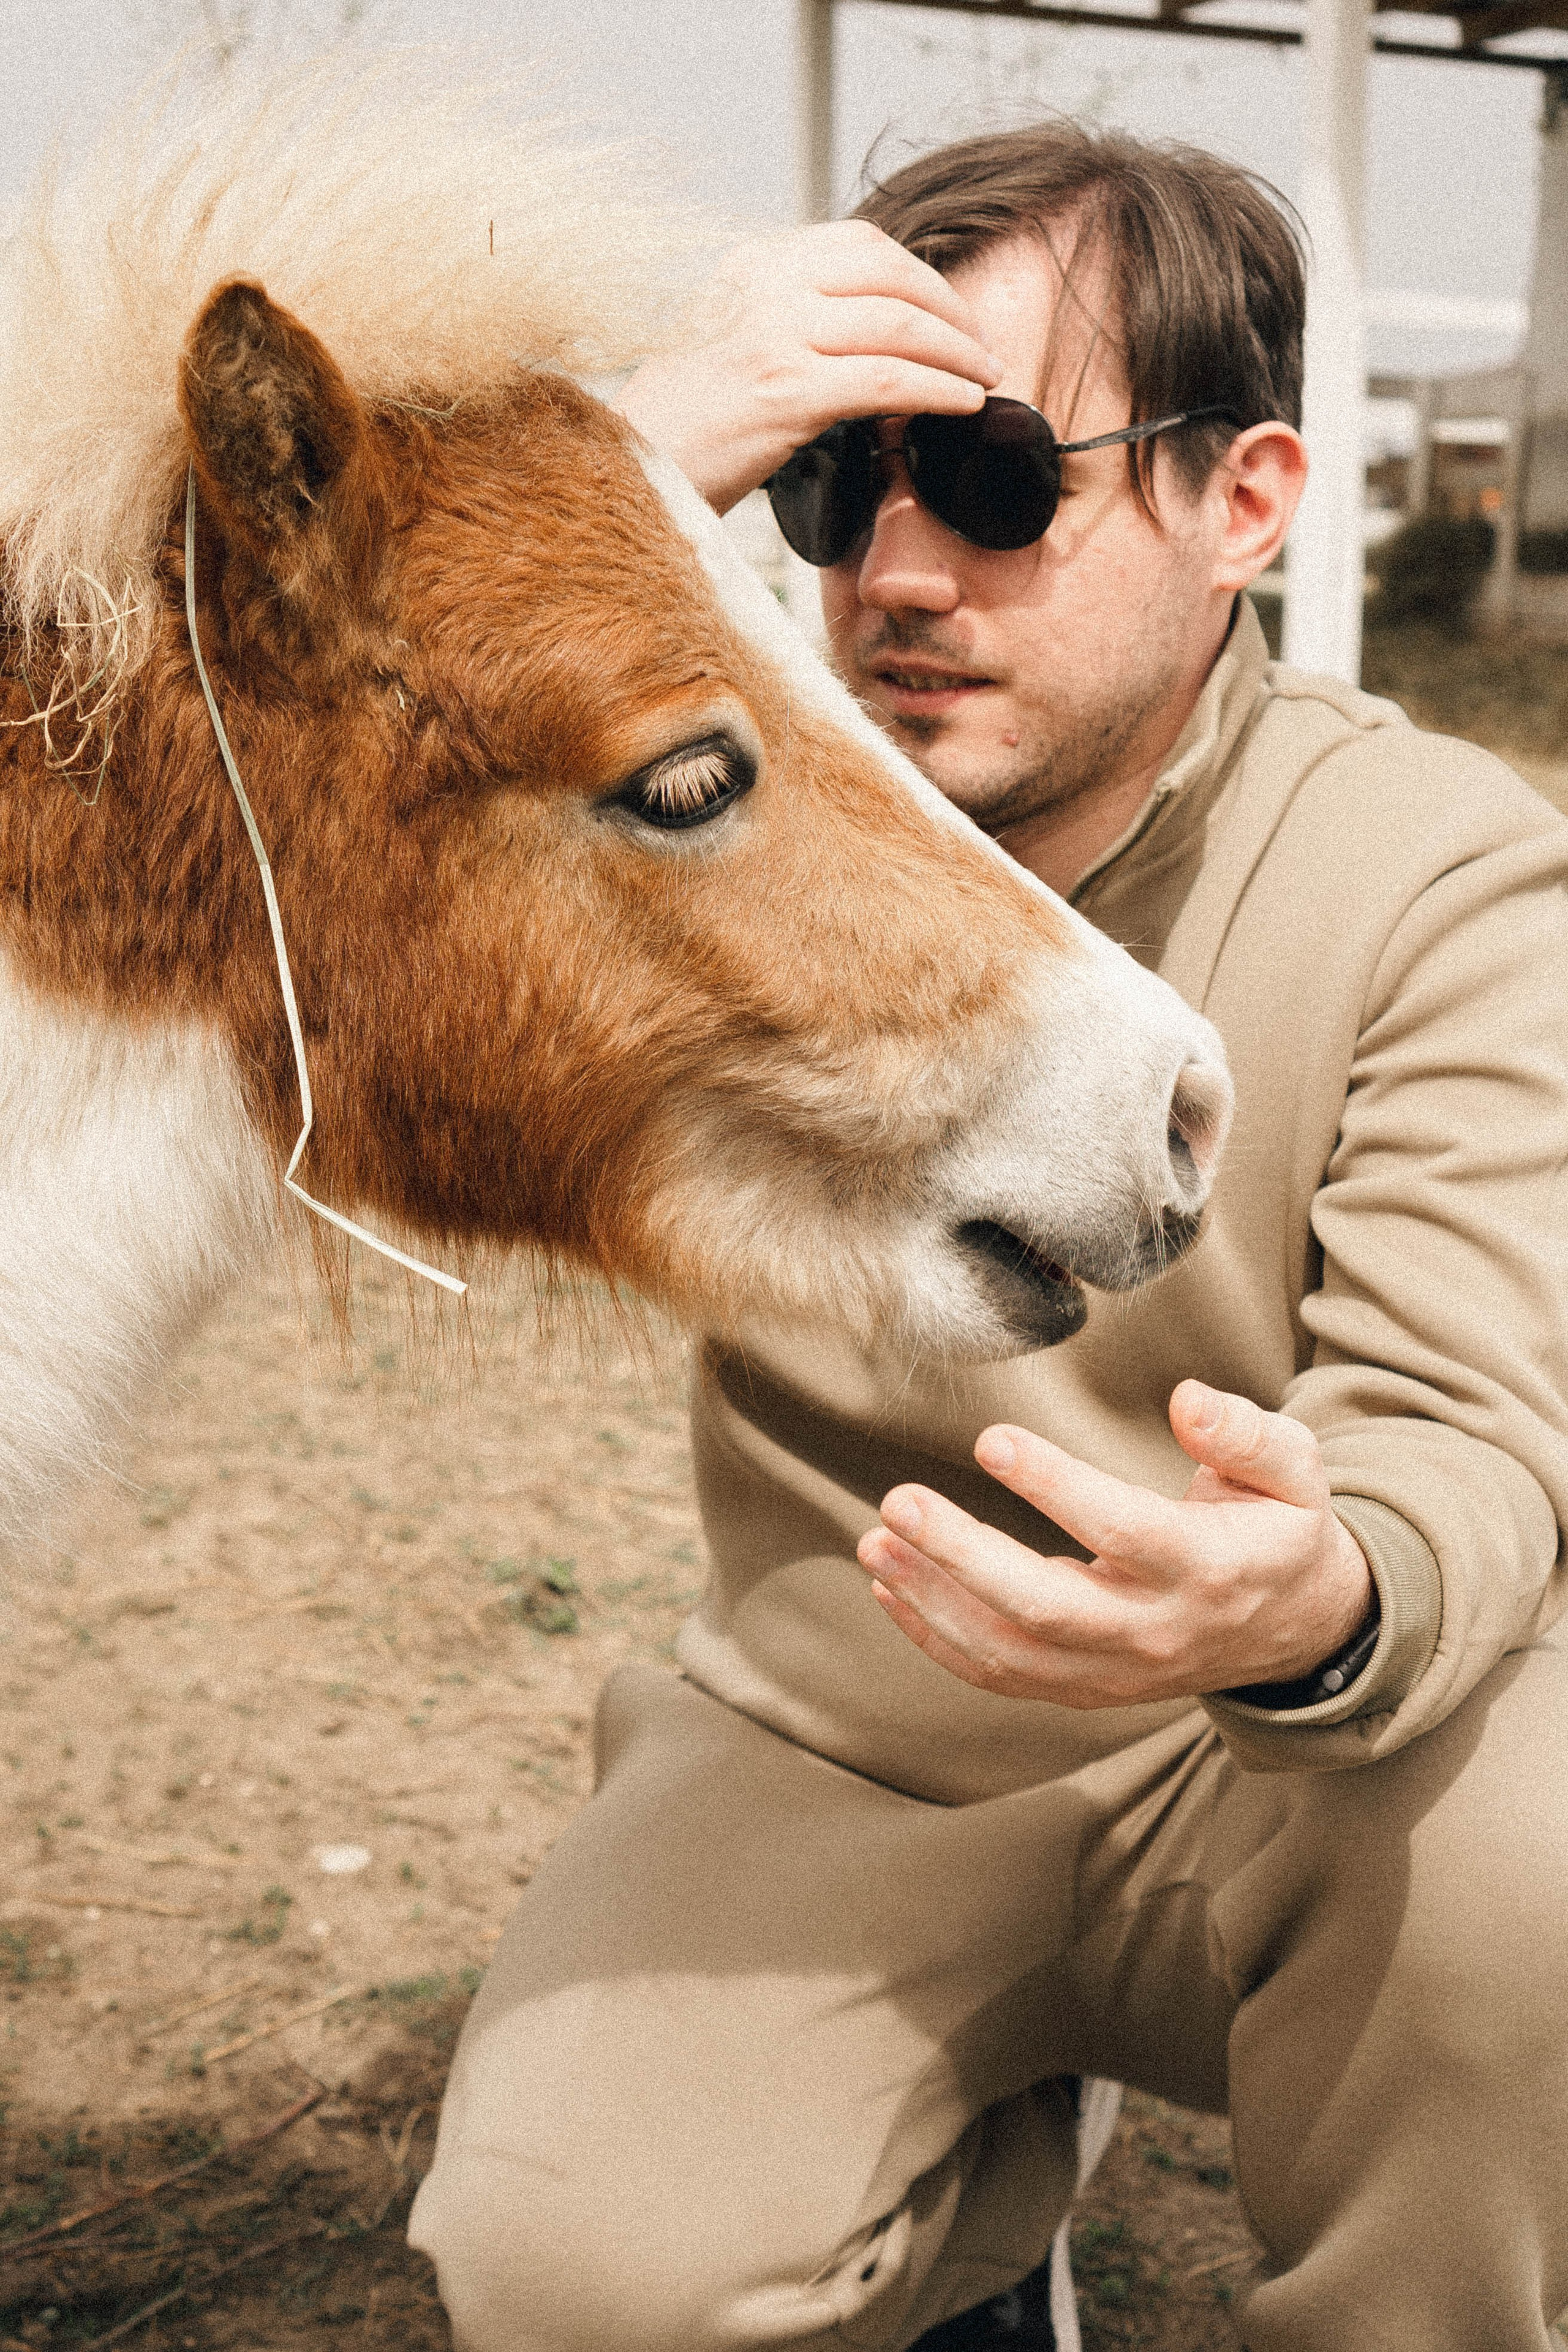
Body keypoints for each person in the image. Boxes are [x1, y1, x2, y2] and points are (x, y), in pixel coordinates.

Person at [409, 124, 1568, 2351]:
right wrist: (620, 463)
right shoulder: (697, 818)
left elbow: (1478, 1433)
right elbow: (277, 765)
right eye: (832, 485)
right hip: (843, 1747)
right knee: (568, 2278)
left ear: (1248, 501)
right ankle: (965, 2240)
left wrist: (1323, 1598)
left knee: (1536, 1869)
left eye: (996, 475)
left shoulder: (1446, 873)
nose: (898, 572)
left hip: (1295, 1763)